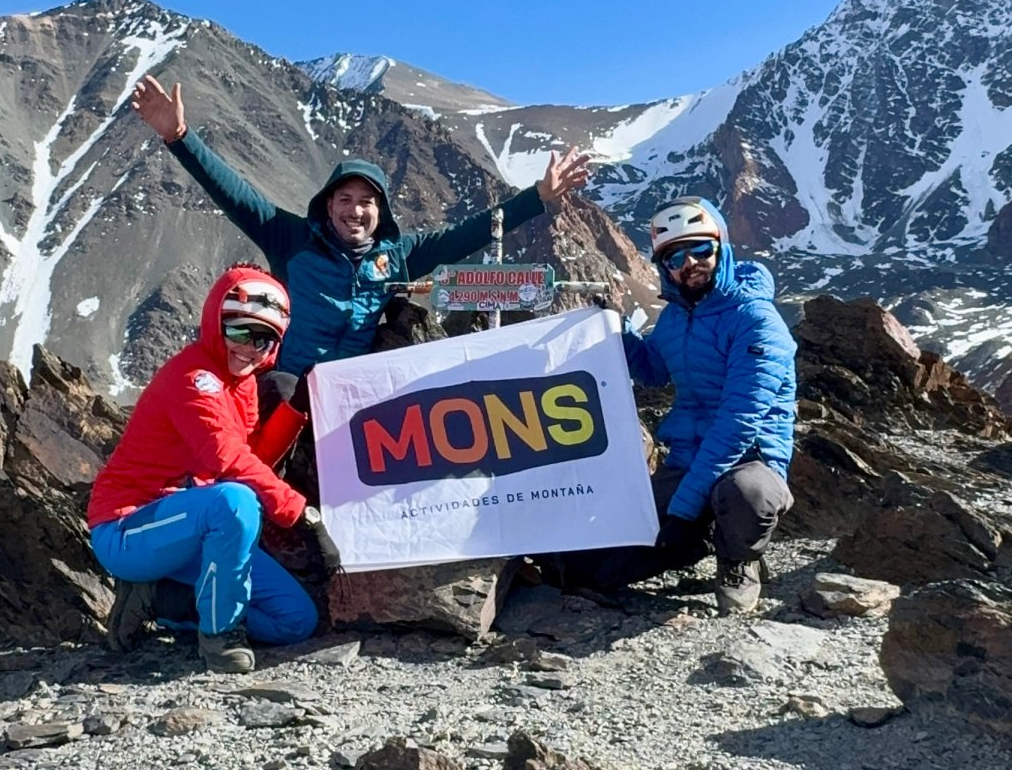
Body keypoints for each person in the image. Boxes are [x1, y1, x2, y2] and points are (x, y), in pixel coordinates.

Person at [131, 73, 591, 378]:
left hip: (353, 395)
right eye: (345, 200)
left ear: (381, 211)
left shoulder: (398, 254)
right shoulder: (290, 238)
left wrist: (539, 198)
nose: (355, 211)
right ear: (327, 205)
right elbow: (234, 194)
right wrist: (179, 138)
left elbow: (467, 234)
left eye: (367, 202)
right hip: (287, 385)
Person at [87, 264, 332, 673]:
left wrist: (295, 409)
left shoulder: (244, 384)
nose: (249, 347)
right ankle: (220, 638)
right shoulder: (193, 379)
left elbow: (250, 454)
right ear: (215, 322)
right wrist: (301, 514)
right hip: (126, 529)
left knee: (295, 621)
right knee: (235, 502)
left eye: (264, 339)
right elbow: (227, 461)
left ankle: (162, 599)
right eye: (239, 331)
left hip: (192, 528)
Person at [568, 195, 796, 616]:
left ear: (721, 246)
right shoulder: (677, 317)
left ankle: (738, 560)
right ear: (664, 266)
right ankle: (696, 541)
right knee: (589, 566)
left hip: (750, 460)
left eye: (700, 249)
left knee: (748, 495)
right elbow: (655, 370)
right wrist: (615, 329)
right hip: (687, 461)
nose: (689, 263)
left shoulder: (757, 320)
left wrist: (685, 508)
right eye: (675, 256)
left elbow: (738, 424)